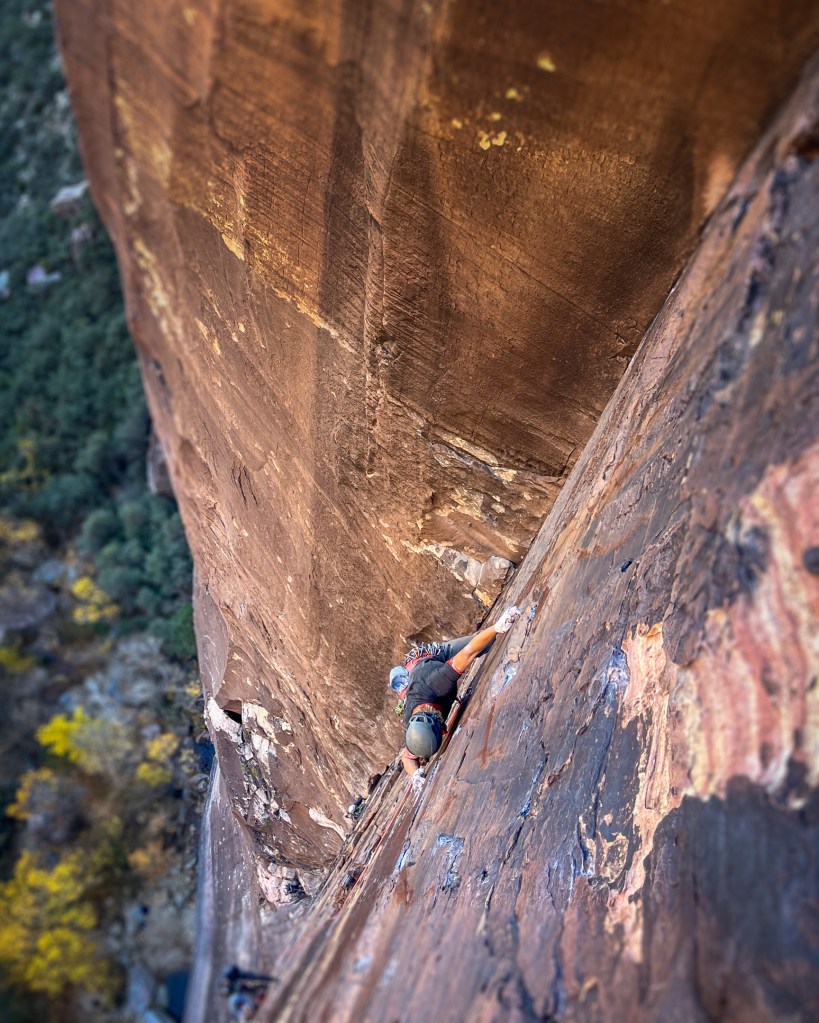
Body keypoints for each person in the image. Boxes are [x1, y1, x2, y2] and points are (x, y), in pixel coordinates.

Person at [388, 606, 522, 787]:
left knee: (486, 643)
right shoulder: (410, 724)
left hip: (432, 657)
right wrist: (415, 776)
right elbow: (407, 758)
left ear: (439, 721)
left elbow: (468, 652)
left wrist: (497, 627)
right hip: (416, 680)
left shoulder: (438, 684)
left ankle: (493, 630)